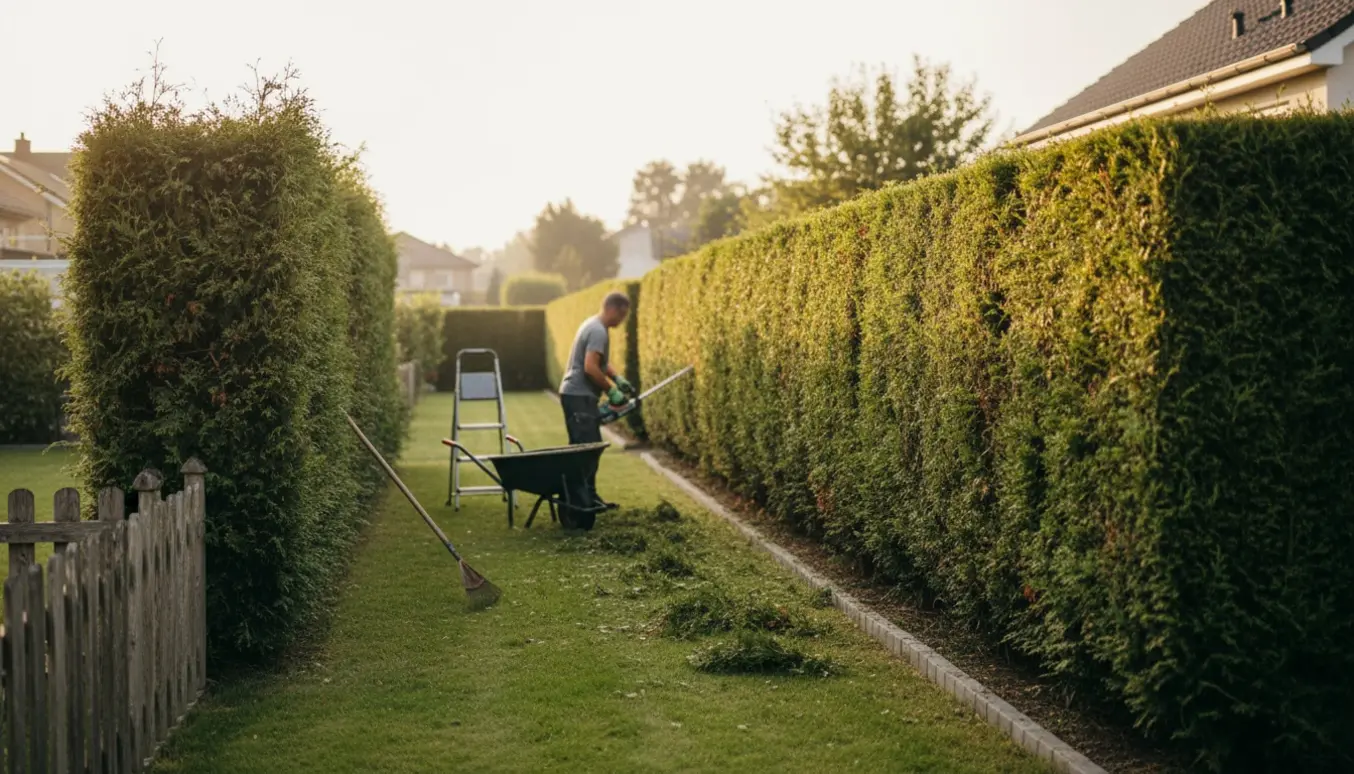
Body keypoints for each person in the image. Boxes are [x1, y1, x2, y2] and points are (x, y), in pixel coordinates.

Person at [559, 291, 633, 503]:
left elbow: (599, 361)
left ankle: (587, 495)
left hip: (577, 395)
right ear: (611, 309)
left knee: (587, 448)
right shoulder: (597, 330)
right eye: (621, 315)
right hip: (578, 395)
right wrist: (612, 391)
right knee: (588, 449)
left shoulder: (593, 325)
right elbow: (590, 367)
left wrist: (617, 378)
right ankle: (581, 497)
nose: (622, 320)